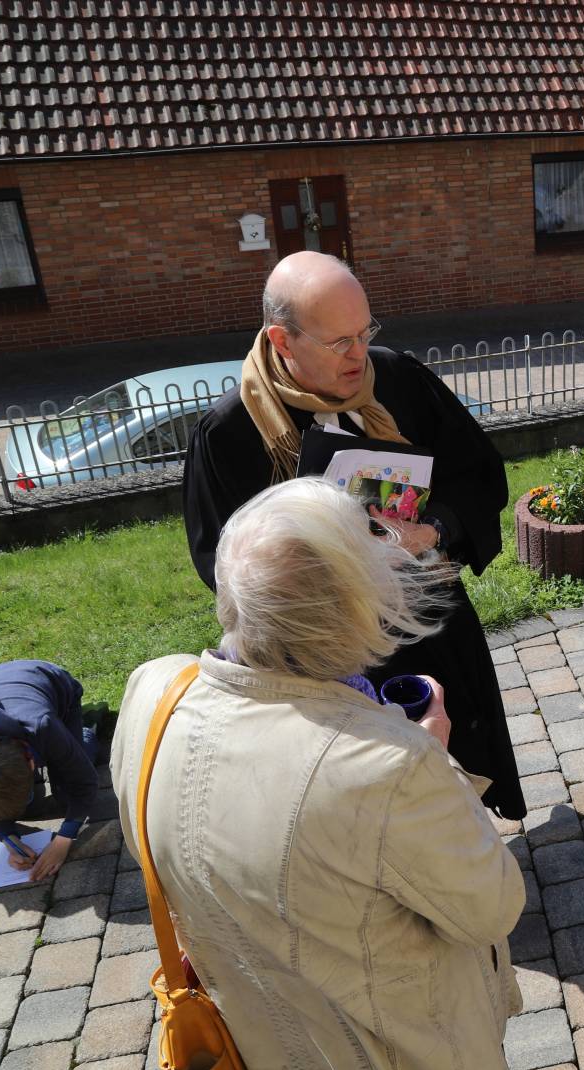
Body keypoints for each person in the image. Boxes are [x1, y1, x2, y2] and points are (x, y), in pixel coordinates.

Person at [110, 478, 525, 1070]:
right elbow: (492, 907)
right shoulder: (387, 767)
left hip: (257, 1039)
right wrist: (431, 756)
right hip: (398, 1055)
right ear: (357, 606)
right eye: (375, 546)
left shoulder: (153, 689)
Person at [183, 251, 523, 820]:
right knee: (370, 807)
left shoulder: (397, 379)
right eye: (338, 342)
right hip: (328, 661)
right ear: (283, 341)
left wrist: (435, 528)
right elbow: (221, 566)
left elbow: (478, 474)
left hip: (428, 622)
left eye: (365, 332)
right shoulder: (231, 434)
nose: (359, 354)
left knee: (457, 770)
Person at [0, 661, 102, 881]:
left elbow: (85, 783)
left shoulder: (43, 726)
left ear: (32, 764)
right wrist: (7, 836)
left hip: (54, 684)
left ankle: (85, 733)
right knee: (15, 806)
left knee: (67, 794)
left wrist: (64, 839)